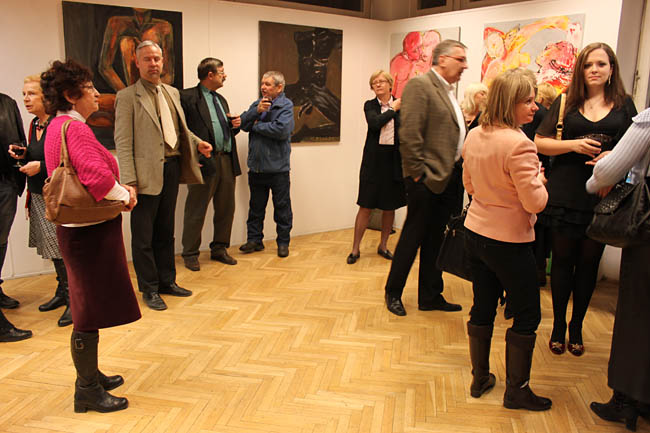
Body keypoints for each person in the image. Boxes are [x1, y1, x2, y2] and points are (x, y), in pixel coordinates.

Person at [41, 59, 141, 412]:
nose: (97, 94)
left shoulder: (57, 126)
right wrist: (125, 195)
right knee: (85, 310)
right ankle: (86, 390)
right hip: (89, 235)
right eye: (89, 88)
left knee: (88, 304)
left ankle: (91, 376)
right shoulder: (77, 129)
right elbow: (97, 179)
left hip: (77, 232)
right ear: (72, 95)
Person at [535, 42, 637, 357]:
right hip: (565, 192)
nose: (594, 70)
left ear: (611, 69)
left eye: (601, 64)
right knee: (562, 262)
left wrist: (613, 158)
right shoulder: (566, 100)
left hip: (602, 192)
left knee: (589, 264)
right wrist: (574, 145)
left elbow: (637, 147)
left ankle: (577, 326)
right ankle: (558, 326)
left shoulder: (624, 105)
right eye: (589, 64)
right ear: (581, 69)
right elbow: (540, 142)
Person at [462, 68, 551, 411]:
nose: (534, 107)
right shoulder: (520, 144)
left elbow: (469, 185)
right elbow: (535, 203)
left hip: (476, 233)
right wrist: (540, 181)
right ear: (509, 102)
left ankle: (480, 377)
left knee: (482, 305)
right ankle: (517, 391)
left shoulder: (475, 135)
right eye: (527, 101)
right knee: (527, 314)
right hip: (509, 241)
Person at [114, 40, 212, 311]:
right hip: (144, 176)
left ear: (163, 60)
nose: (153, 63)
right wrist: (129, 182)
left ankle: (167, 281)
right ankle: (149, 288)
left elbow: (180, 130)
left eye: (157, 58)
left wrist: (197, 143)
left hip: (171, 169)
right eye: (147, 59)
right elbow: (123, 142)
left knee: (166, 231)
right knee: (143, 236)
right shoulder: (127, 97)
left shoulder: (171, 92)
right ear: (137, 62)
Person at [384, 39, 467, 316]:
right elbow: (410, 135)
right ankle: (393, 292)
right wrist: (418, 176)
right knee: (412, 238)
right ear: (442, 59)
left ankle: (430, 295)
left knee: (436, 241)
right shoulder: (421, 86)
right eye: (460, 59)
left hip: (449, 178)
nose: (465, 65)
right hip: (426, 180)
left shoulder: (448, 91)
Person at [586, 107, 650, 431]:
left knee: (636, 315)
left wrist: (595, 179)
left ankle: (625, 400)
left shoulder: (648, 120)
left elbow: (609, 171)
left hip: (646, 233)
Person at [8, 76, 71, 327]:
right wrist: (24, 155)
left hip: (56, 196)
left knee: (62, 250)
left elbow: (67, 162)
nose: (26, 99)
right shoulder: (35, 123)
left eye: (31, 94)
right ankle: (62, 291)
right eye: (24, 94)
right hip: (38, 194)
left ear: (47, 97)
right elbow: (40, 154)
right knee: (53, 249)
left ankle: (74, 300)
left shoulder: (58, 124)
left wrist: (41, 167)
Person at [180, 58, 241, 271]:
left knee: (226, 208)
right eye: (222, 72)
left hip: (226, 160)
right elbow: (181, 131)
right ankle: (190, 253)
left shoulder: (221, 99)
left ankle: (220, 248)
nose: (225, 76)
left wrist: (234, 126)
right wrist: (191, 159)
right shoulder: (187, 97)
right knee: (196, 209)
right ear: (210, 75)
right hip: (204, 161)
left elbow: (222, 129)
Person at [347, 70, 406, 265]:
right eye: (374, 82)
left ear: (390, 84)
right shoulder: (370, 105)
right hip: (373, 162)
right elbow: (374, 123)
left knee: (389, 207)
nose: (378, 84)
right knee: (365, 205)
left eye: (381, 81)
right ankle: (355, 249)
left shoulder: (402, 105)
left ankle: (383, 245)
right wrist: (392, 109)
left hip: (393, 162)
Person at [239, 71, 295, 258]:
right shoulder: (258, 104)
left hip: (278, 169)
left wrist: (256, 125)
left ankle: (283, 243)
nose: (263, 87)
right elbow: (242, 124)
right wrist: (256, 112)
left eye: (268, 84)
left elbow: (282, 130)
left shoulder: (286, 105)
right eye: (262, 83)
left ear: (279, 87)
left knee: (282, 209)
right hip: (256, 168)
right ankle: (254, 240)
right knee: (255, 208)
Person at [0, 92, 31, 342]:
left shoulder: (6, 103)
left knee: (1, 242)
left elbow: (19, 139)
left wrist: (20, 154)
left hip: (5, 183)